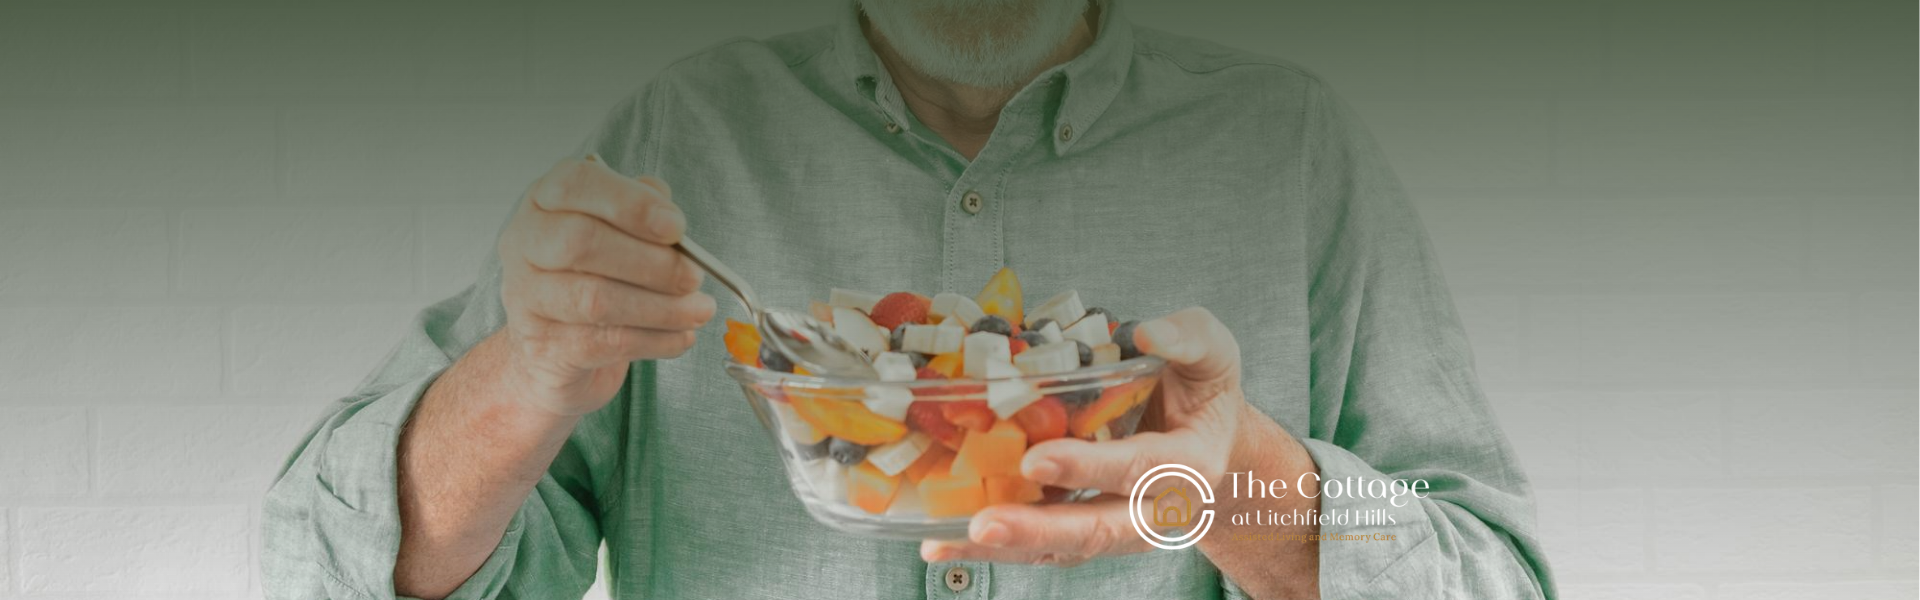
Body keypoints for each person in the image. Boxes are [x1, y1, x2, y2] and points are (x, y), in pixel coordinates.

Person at [262, 0, 1555, 598]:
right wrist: (529, 368)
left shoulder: (1290, 143)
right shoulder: (686, 130)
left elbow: (1489, 574)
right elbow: (325, 569)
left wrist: (1240, 488)